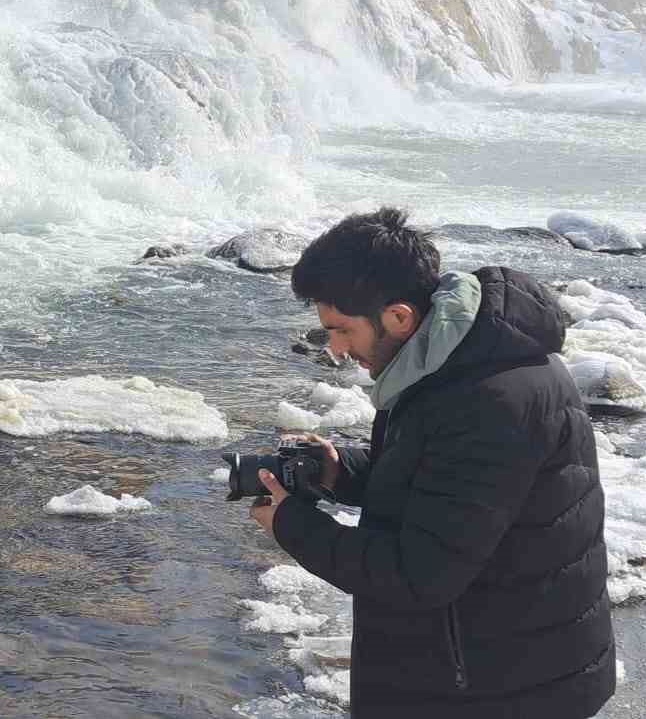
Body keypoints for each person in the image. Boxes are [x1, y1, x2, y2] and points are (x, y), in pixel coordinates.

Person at [248, 207, 615, 719]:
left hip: (497, 690)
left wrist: (293, 523)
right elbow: (441, 485)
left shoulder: (487, 400)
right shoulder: (452, 360)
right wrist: (339, 471)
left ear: (398, 316)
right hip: (492, 661)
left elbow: (417, 575)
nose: (334, 349)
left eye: (341, 331)